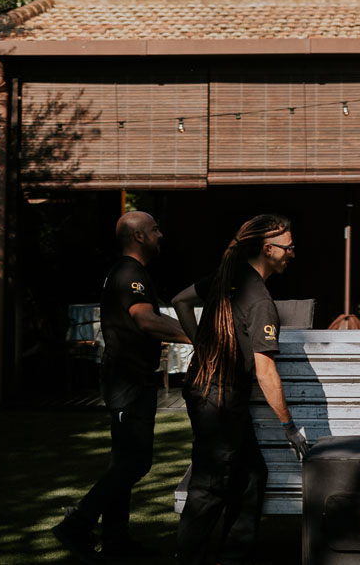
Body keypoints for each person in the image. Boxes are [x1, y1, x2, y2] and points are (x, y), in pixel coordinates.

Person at [52, 211, 191, 563]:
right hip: (127, 381)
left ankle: (116, 540)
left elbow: (153, 317)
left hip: (130, 379)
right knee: (135, 463)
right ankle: (77, 523)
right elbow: (145, 320)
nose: (161, 234)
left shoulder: (131, 273)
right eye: (155, 229)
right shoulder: (130, 273)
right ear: (139, 236)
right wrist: (196, 338)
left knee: (123, 462)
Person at [176, 214, 309, 565]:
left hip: (205, 392)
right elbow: (265, 371)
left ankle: (233, 556)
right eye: (289, 247)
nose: (292, 253)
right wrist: (289, 426)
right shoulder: (261, 300)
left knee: (251, 476)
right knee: (209, 487)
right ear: (268, 249)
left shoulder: (226, 278)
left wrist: (200, 343)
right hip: (218, 400)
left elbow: (180, 301)